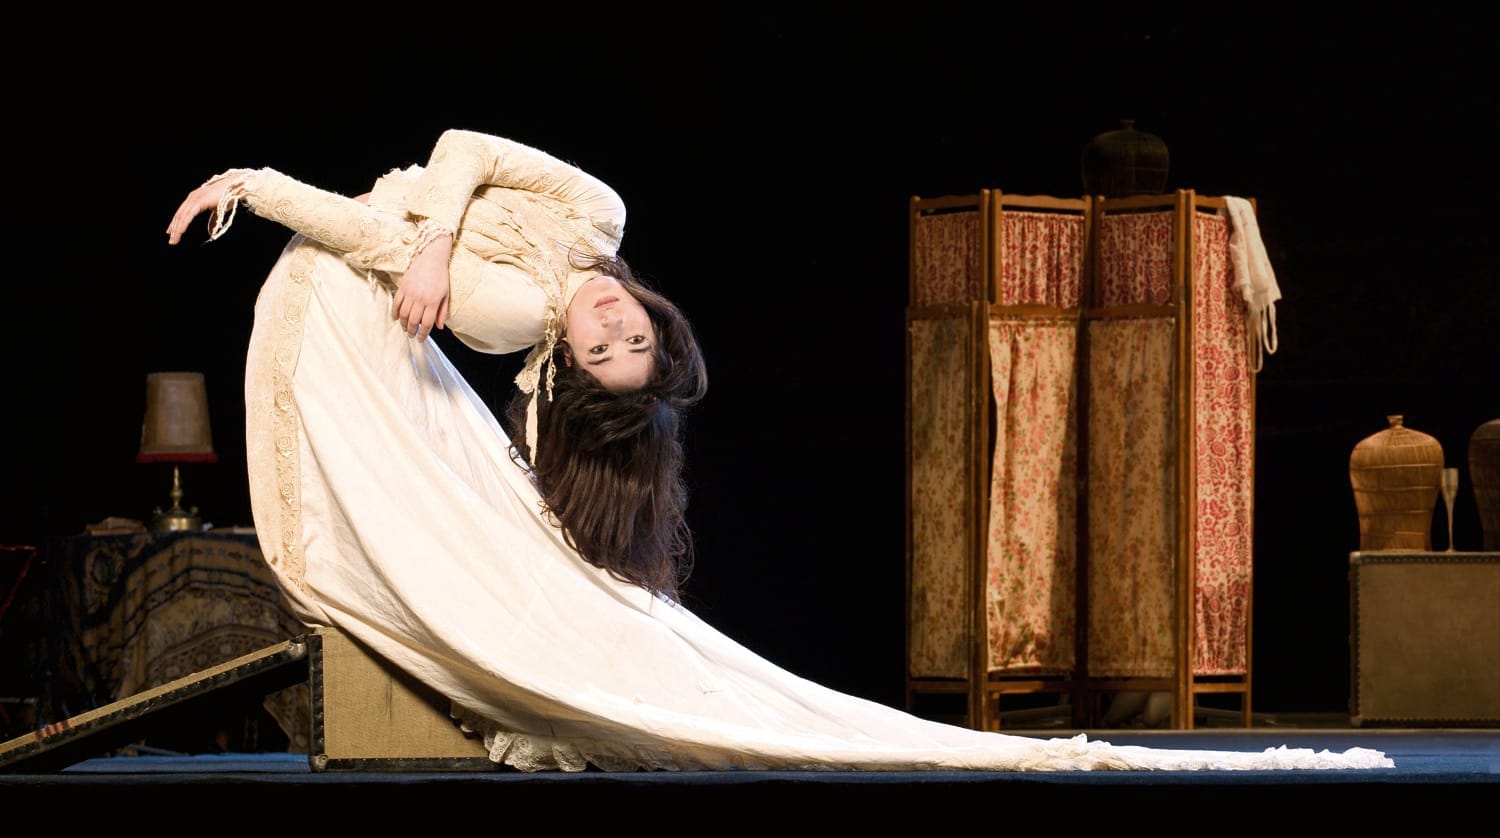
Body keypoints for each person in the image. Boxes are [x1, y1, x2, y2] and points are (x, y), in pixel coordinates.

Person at [166, 128, 1393, 773]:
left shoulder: (507, 316)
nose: (609, 325)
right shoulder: (602, 222)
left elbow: (369, 239)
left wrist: (261, 183)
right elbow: (468, 140)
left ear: (571, 365)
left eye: (610, 351)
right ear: (648, 306)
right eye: (631, 330)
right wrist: (437, 233)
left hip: (344, 264)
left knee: (325, 279)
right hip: (407, 234)